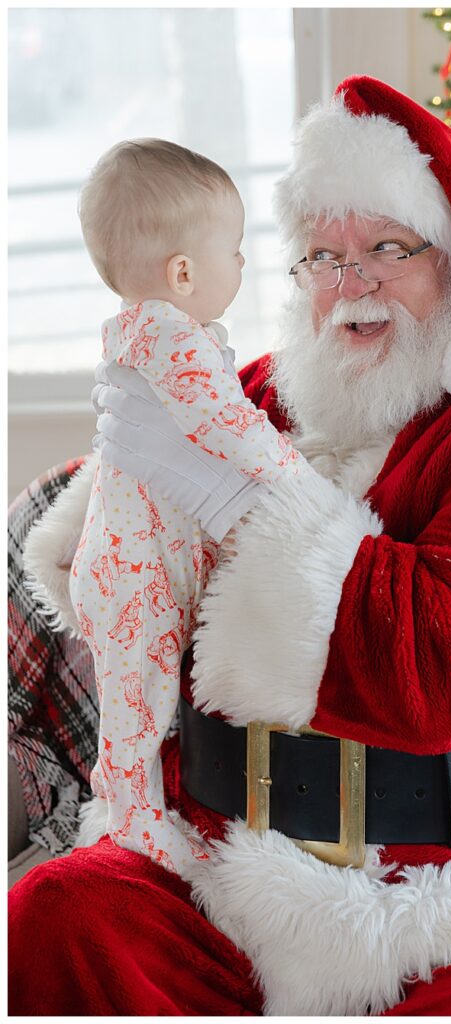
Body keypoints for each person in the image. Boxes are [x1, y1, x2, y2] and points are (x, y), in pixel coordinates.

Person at [8, 76, 451, 1015]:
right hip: (233, 864)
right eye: (321, 256)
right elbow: (118, 577)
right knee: (56, 918)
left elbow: (441, 673)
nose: (349, 284)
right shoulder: (258, 394)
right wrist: (110, 519)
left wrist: (243, 500)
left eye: (386, 249)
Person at [23, 139, 307, 881]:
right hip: (131, 573)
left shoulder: (162, 333)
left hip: (145, 566)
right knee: (137, 708)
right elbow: (226, 424)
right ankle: (134, 822)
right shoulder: (165, 335)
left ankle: (144, 809)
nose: (243, 266)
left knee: (151, 701)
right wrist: (293, 476)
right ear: (183, 272)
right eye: (236, 251)